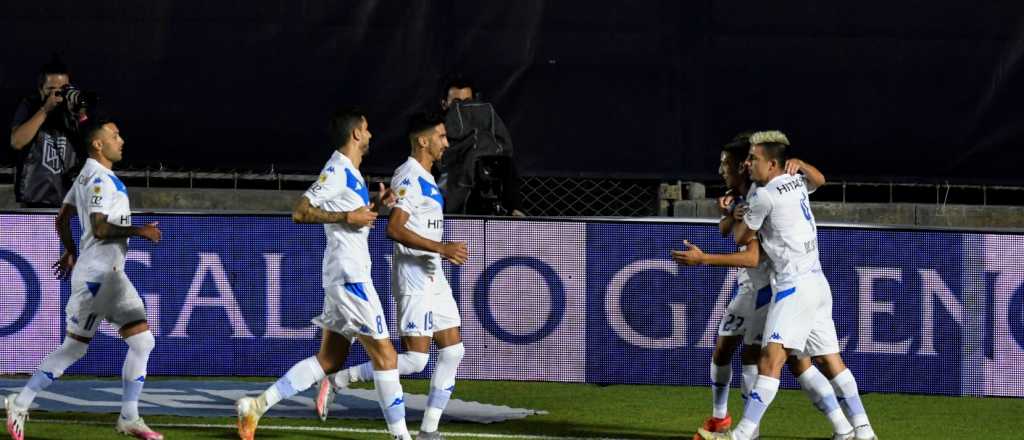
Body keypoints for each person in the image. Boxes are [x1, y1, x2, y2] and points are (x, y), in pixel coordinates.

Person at [234, 108, 412, 440]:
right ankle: (402, 436)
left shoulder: (353, 174)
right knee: (386, 355)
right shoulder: (338, 170)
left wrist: (374, 205)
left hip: (345, 274)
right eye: (367, 129)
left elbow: (352, 218)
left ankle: (256, 405)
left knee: (329, 359)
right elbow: (300, 212)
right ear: (356, 134)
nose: (371, 135)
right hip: (350, 277)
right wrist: (349, 215)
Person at [694, 131, 878, 440]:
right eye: (748, 157)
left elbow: (741, 239)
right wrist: (801, 165)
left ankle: (740, 434)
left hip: (792, 286)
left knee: (771, 359)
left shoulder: (763, 196)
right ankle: (861, 430)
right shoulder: (793, 182)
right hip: (817, 282)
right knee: (828, 360)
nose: (749, 163)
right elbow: (819, 180)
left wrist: (733, 217)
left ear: (772, 163)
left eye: (754, 159)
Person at [4, 119, 164, 440]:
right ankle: (20, 403)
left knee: (138, 341)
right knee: (77, 349)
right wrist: (140, 230)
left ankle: (129, 417)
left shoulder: (86, 175)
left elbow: (62, 217)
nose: (121, 139)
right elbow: (102, 228)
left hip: (108, 276)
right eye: (114, 135)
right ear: (98, 145)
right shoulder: (99, 181)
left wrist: (71, 251)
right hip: (99, 279)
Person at [317, 112, 469, 440]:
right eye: (441, 137)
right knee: (415, 360)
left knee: (454, 351)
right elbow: (394, 229)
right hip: (414, 276)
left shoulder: (429, 178)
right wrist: (442, 248)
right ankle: (338, 379)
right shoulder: (408, 176)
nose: (446, 143)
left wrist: (439, 254)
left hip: (434, 274)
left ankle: (429, 430)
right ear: (423, 140)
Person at [9, 57, 89, 207]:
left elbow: (94, 146)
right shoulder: (30, 106)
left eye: (63, 89)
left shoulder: (74, 111)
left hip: (69, 202)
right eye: (51, 89)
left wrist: (81, 116)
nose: (57, 94)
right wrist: (45, 109)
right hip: (34, 200)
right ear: (41, 90)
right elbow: (16, 142)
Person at [438, 76, 523, 216]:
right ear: (444, 104)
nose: (463, 108)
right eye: (456, 103)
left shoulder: (494, 145)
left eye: (468, 102)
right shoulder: (437, 137)